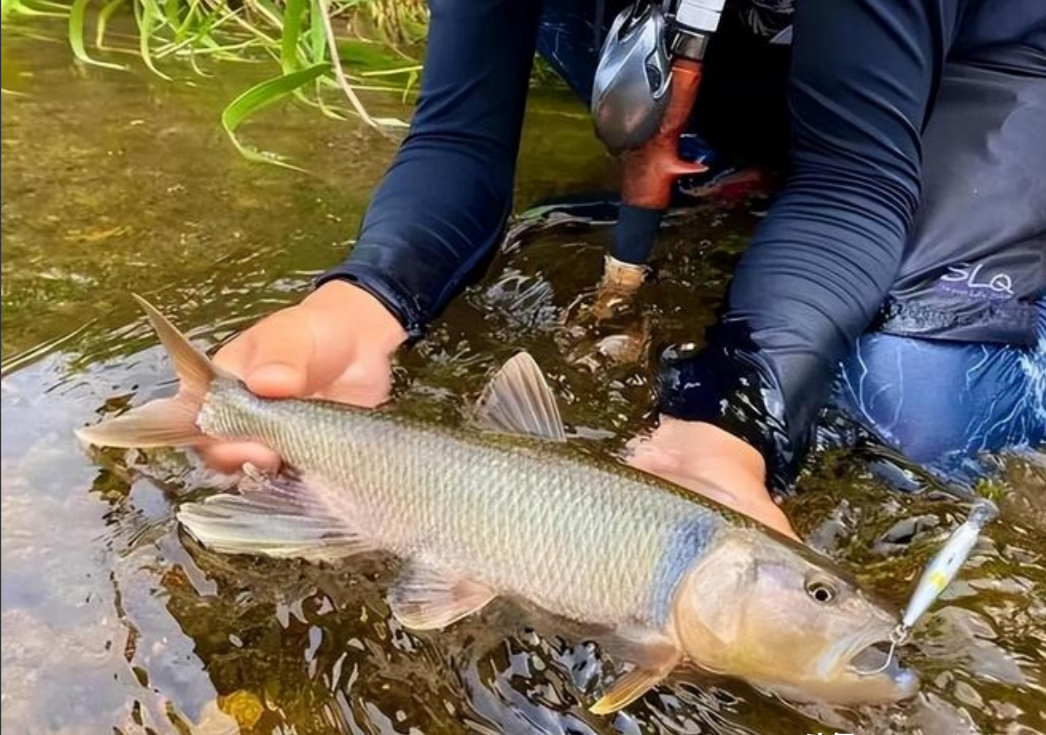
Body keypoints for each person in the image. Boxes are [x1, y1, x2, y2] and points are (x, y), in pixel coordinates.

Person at [199, 0, 1046, 541]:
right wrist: (362, 300)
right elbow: (459, 139)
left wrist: (734, 414)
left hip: (987, 60)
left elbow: (852, 182)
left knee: (905, 406)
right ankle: (761, 156)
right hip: (745, 30)